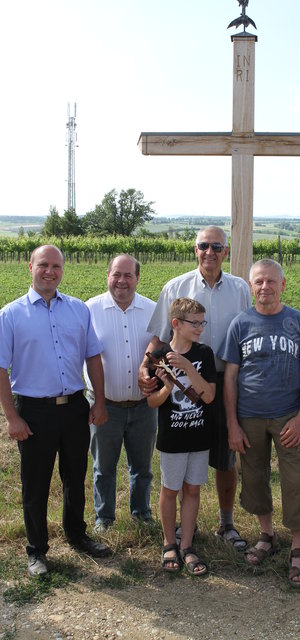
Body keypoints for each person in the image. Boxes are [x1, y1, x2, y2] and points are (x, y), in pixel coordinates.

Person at [0, 245, 111, 577]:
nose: (50, 271)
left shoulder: (78, 310)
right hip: (34, 412)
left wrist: (100, 401)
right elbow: (1, 369)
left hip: (75, 407)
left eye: (56, 266)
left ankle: (77, 535)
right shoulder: (11, 315)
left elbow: (93, 357)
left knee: (75, 477)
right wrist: (12, 418)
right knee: (35, 483)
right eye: (43, 265)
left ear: (63, 270)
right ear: (30, 267)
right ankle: (37, 550)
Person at [138, 226, 251, 549]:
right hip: (182, 387)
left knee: (225, 457)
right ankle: (178, 531)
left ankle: (226, 523)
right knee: (182, 455)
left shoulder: (240, 289)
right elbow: (159, 338)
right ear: (195, 249)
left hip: (224, 382)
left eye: (217, 247)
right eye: (204, 246)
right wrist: (143, 369)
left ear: (225, 252)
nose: (210, 252)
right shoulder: (175, 287)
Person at [220, 259, 300, 588]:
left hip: (289, 416)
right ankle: (267, 536)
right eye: (259, 282)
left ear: (283, 285)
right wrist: (232, 424)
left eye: (271, 281)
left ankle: (298, 546)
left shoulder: (298, 322)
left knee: (295, 480)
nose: (265, 287)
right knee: (255, 476)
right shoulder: (240, 324)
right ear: (251, 287)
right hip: (249, 417)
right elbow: (230, 378)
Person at [84, 254, 157, 531]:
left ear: (138, 278)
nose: (122, 281)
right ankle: (104, 517)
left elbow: (160, 352)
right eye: (117, 274)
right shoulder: (89, 310)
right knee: (104, 467)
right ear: (107, 275)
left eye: (128, 275)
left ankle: (141, 513)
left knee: (142, 467)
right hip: (105, 405)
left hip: (143, 406)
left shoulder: (152, 310)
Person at [147, 298, 216, 575]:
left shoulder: (204, 354)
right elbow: (153, 402)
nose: (200, 328)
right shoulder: (158, 355)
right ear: (176, 324)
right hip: (172, 437)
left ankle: (187, 545)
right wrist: (165, 388)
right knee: (170, 489)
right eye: (195, 323)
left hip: (199, 435)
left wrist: (188, 368)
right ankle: (168, 542)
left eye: (202, 322)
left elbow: (209, 396)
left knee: (193, 489)